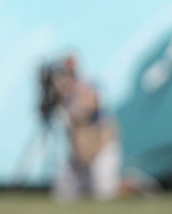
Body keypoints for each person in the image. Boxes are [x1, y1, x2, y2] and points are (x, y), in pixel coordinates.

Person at [42, 54, 122, 202]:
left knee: (104, 193)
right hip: (79, 153)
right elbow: (46, 114)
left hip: (100, 147)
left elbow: (90, 108)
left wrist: (67, 97)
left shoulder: (86, 86)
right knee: (63, 195)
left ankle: (137, 186)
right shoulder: (60, 95)